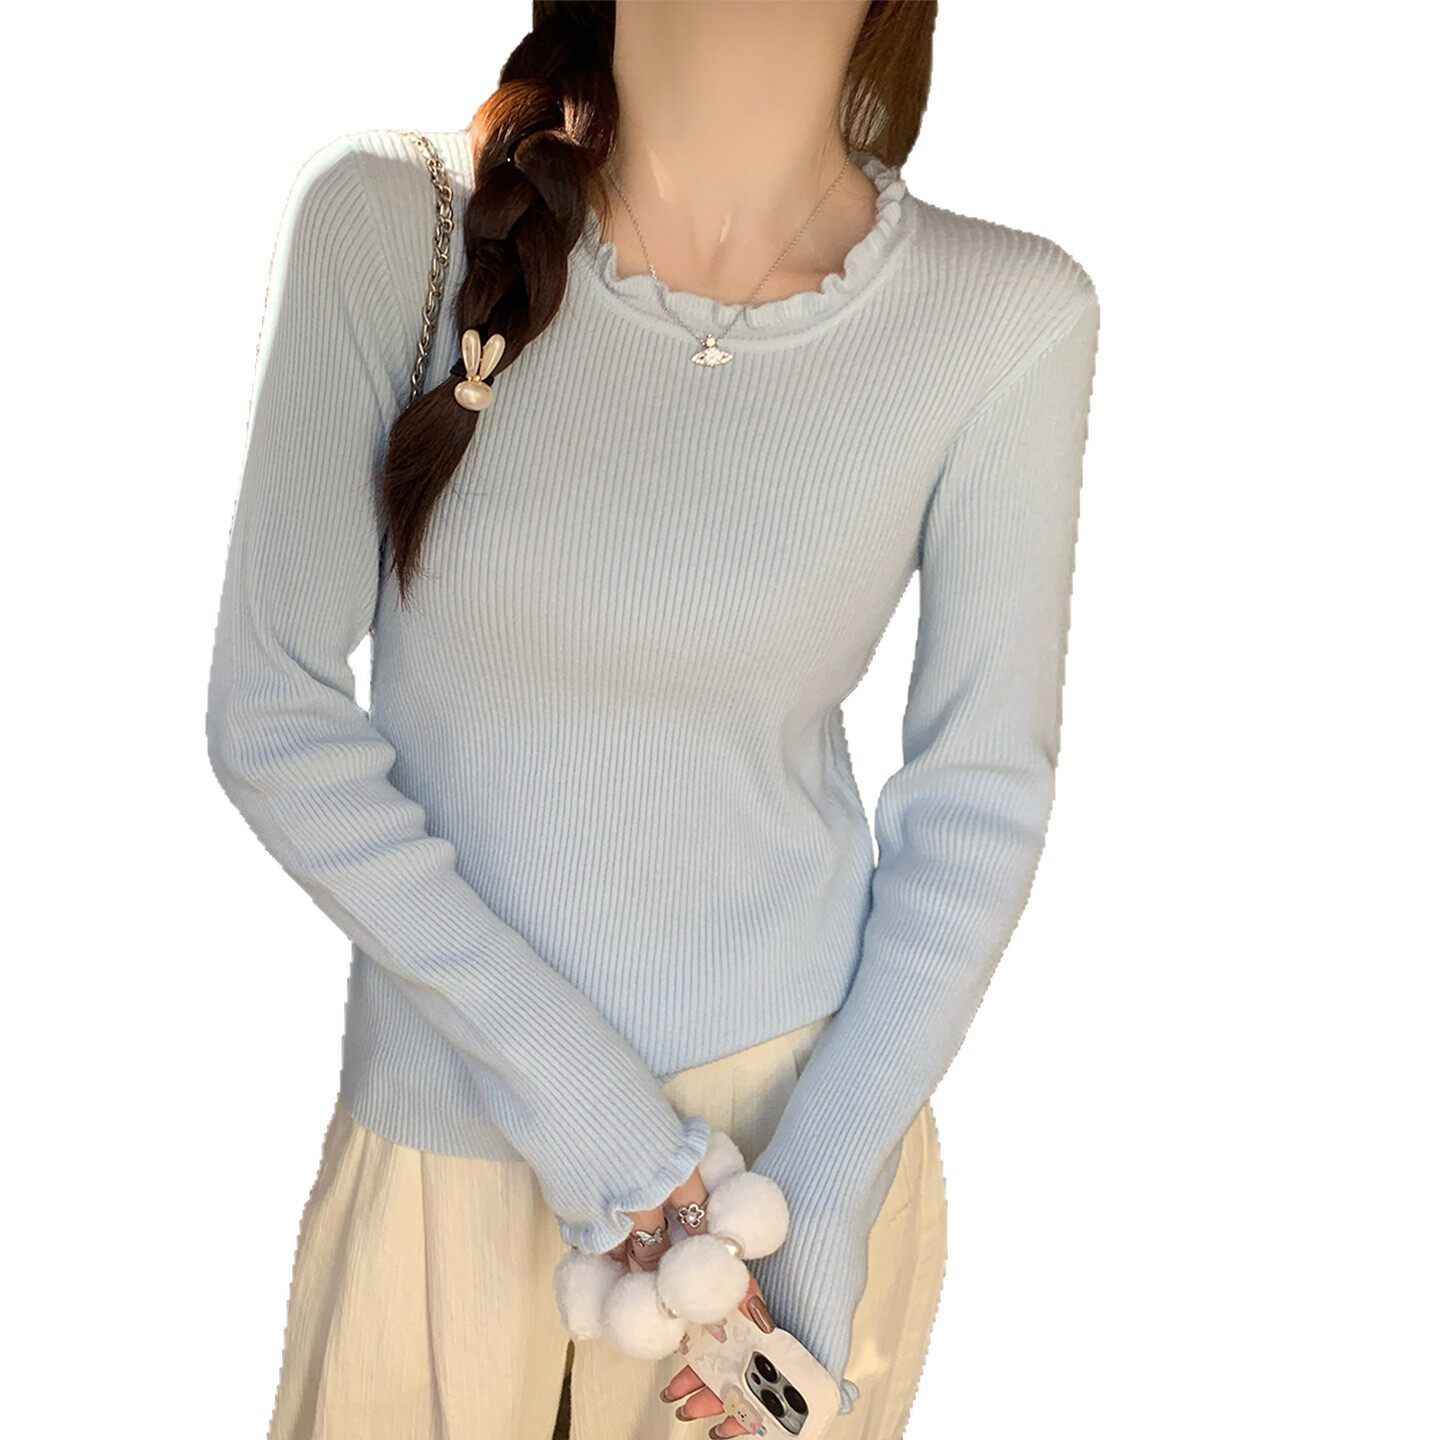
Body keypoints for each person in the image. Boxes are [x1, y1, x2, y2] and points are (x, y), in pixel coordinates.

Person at [206, 3, 1098, 1436]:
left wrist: (824, 1200)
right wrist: (599, 1123)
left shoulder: (1005, 315)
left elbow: (979, 804)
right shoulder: (392, 222)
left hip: (783, 1189)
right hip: (448, 1174)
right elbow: (276, 719)